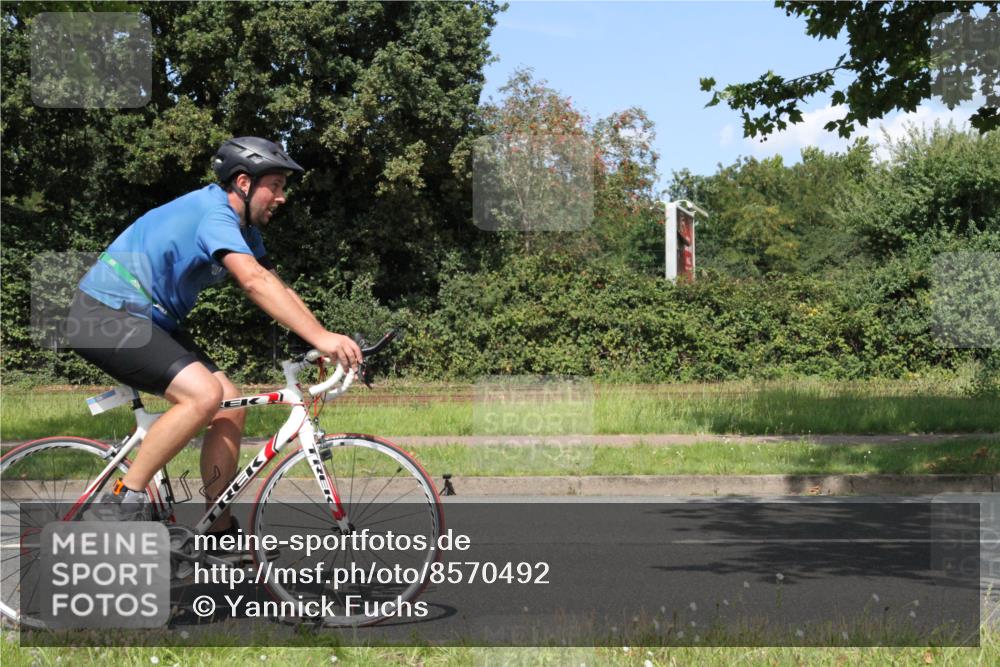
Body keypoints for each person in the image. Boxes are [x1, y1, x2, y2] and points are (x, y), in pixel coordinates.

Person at [66, 137, 361, 557]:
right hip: (104, 313)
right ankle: (120, 504)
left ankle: (217, 533)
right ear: (243, 182)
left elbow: (274, 284)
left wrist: (322, 338)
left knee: (231, 404)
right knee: (202, 396)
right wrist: (321, 338)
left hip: (149, 319)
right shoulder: (215, 214)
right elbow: (253, 282)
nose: (282, 197)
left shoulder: (244, 229)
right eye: (275, 185)